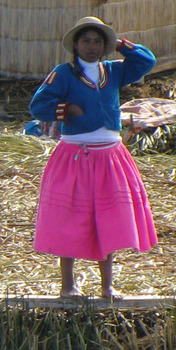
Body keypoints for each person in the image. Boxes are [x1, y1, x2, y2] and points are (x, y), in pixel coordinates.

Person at [29, 17, 157, 299]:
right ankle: (68, 286)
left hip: (110, 156)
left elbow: (146, 61)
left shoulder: (113, 71)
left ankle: (107, 286)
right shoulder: (63, 74)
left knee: (108, 218)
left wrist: (121, 45)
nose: (91, 47)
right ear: (75, 45)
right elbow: (38, 106)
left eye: (98, 41)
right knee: (69, 219)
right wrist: (66, 110)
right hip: (75, 155)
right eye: (85, 41)